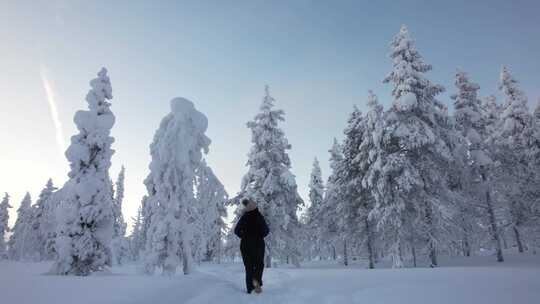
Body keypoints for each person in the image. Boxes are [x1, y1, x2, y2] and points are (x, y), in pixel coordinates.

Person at [234, 198, 269, 294]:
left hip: (245, 244)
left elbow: (236, 231)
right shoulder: (259, 216)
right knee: (259, 264)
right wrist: (260, 236)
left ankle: (250, 288)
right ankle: (256, 280)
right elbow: (266, 231)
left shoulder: (244, 217)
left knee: (248, 266)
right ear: (255, 206)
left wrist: (244, 236)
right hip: (258, 243)